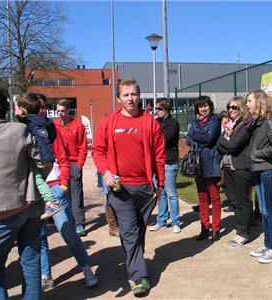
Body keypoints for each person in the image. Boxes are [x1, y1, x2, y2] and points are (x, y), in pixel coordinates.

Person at [92, 78, 165, 296]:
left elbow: (159, 156)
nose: (130, 98)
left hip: (145, 188)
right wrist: (105, 172)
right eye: (126, 95)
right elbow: (97, 151)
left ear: (139, 96)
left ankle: (135, 265)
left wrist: (159, 184)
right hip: (120, 188)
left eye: (133, 94)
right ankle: (139, 276)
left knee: (137, 232)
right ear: (119, 98)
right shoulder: (109, 122)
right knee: (129, 231)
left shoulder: (150, 122)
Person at [36, 94, 97, 290]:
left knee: (68, 231)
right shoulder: (24, 130)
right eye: (38, 108)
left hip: (56, 185)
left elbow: (65, 155)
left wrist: (64, 179)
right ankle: (46, 274)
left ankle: (86, 267)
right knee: (39, 236)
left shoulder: (53, 129)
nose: (43, 111)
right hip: (34, 189)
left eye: (44, 108)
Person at [0, 84, 43, 299]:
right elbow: (44, 161)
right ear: (6, 106)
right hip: (28, 206)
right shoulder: (20, 130)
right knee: (30, 262)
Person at [245, 90, 272, 264]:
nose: (247, 104)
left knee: (268, 211)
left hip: (268, 170)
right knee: (263, 211)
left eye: (249, 101)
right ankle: (268, 245)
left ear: (259, 102)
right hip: (258, 170)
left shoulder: (268, 121)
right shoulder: (257, 122)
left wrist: (259, 154)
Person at [14, 93, 62, 219]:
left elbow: (42, 141)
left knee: (38, 180)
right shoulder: (41, 122)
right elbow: (50, 136)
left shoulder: (32, 123)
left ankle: (52, 201)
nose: (14, 111)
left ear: (23, 109)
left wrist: (46, 158)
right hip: (43, 157)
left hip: (41, 159)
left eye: (16, 108)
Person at [217, 96, 253, 246]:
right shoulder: (229, 125)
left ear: (241, 109)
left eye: (234, 107)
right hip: (227, 166)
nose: (230, 110)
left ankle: (243, 232)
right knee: (234, 200)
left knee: (243, 201)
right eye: (229, 107)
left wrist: (222, 141)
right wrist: (224, 141)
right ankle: (239, 228)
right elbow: (220, 144)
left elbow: (232, 145)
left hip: (240, 167)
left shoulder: (245, 125)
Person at [186, 95, 222, 242]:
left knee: (214, 196)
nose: (203, 108)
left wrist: (196, 135)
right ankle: (204, 227)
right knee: (202, 196)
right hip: (198, 163)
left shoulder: (215, 120)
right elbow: (188, 139)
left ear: (210, 106)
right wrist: (200, 135)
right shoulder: (194, 121)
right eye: (201, 106)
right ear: (197, 108)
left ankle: (216, 227)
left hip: (212, 162)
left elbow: (210, 138)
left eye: (206, 105)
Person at [54, 99, 88, 236]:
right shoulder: (54, 126)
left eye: (63, 111)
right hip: (60, 165)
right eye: (58, 111)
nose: (60, 113)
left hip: (74, 164)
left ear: (68, 111)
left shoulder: (78, 126)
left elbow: (83, 147)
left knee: (76, 195)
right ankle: (65, 222)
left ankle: (79, 224)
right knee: (61, 194)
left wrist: (79, 164)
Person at [149, 98, 181, 234]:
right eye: (156, 109)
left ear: (167, 109)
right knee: (160, 193)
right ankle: (161, 221)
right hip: (158, 162)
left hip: (169, 161)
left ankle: (175, 222)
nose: (157, 111)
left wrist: (154, 136)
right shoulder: (156, 122)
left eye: (160, 109)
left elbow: (163, 140)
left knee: (171, 193)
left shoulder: (173, 123)